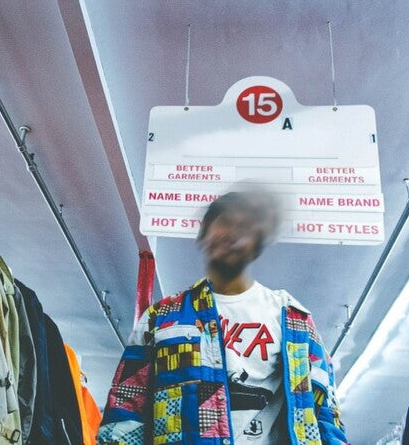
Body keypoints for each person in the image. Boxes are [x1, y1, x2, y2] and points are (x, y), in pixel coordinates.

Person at [98, 190, 347, 444]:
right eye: (225, 222)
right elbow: (125, 408)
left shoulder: (295, 321)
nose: (232, 234)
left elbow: (326, 411)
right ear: (204, 233)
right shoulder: (161, 318)